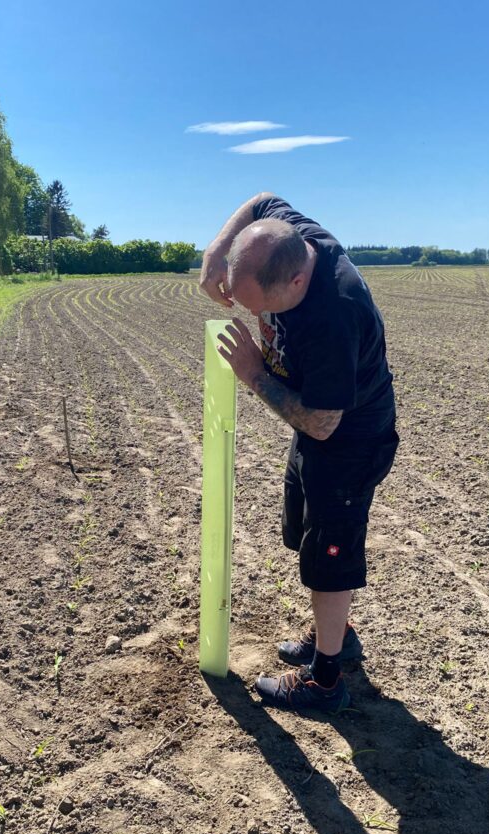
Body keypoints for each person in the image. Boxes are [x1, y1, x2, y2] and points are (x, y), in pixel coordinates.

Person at [199, 193, 398, 713]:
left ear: (296, 280)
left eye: (259, 305)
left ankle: (326, 682)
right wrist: (216, 253)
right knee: (304, 530)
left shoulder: (336, 314)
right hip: (319, 425)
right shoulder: (291, 234)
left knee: (330, 553)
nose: (253, 315)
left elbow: (322, 423)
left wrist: (253, 373)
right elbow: (262, 199)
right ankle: (338, 635)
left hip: (348, 437)